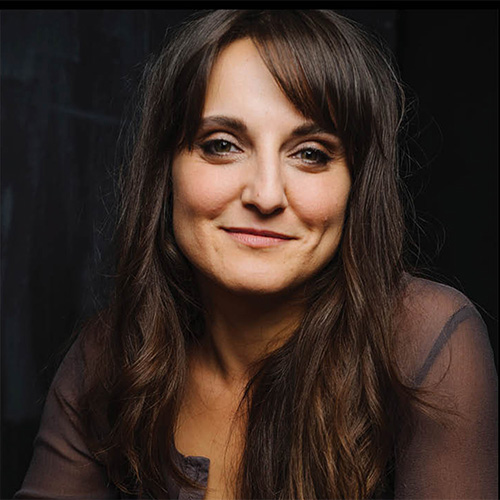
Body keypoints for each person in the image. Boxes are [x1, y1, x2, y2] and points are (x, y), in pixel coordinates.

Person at [15, 9, 497, 500]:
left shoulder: (423, 341)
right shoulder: (108, 356)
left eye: (310, 153)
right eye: (222, 145)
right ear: (166, 170)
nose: (266, 195)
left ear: (357, 185)